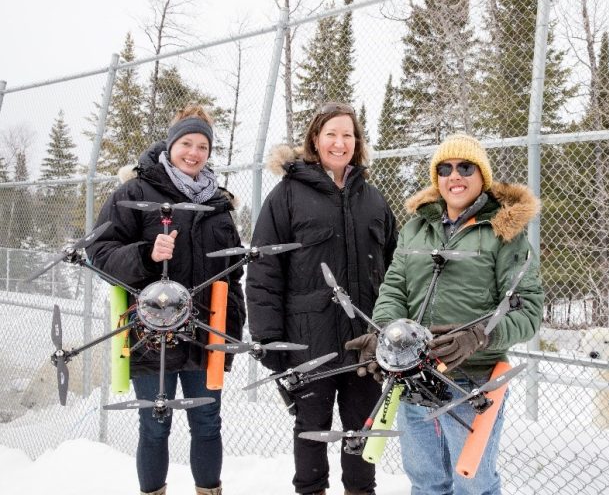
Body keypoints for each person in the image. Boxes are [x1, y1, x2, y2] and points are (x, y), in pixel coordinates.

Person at [349, 133, 544, 495]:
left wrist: (481, 334)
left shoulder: (505, 234)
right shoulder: (416, 229)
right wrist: (387, 333)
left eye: (465, 167)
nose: (455, 176)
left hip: (471, 380)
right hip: (413, 379)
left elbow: (528, 310)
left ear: (482, 175)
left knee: (474, 484)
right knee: (426, 482)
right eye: (445, 168)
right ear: (436, 177)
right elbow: (394, 290)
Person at [86, 104, 246, 495]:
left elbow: (234, 272)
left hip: (206, 331)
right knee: (155, 425)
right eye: (186, 144)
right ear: (170, 144)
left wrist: (231, 331)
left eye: (203, 147)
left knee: (207, 422)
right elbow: (99, 250)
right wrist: (145, 254)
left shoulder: (219, 203)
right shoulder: (135, 193)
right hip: (149, 332)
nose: (194, 153)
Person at [246, 102, 398, 495]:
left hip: (365, 343)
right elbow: (263, 272)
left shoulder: (373, 199)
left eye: (348, 134)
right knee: (311, 430)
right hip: (307, 340)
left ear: (357, 143)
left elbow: (395, 269)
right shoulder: (287, 196)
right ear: (315, 139)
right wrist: (268, 340)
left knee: (361, 428)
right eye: (331, 133)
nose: (340, 142)